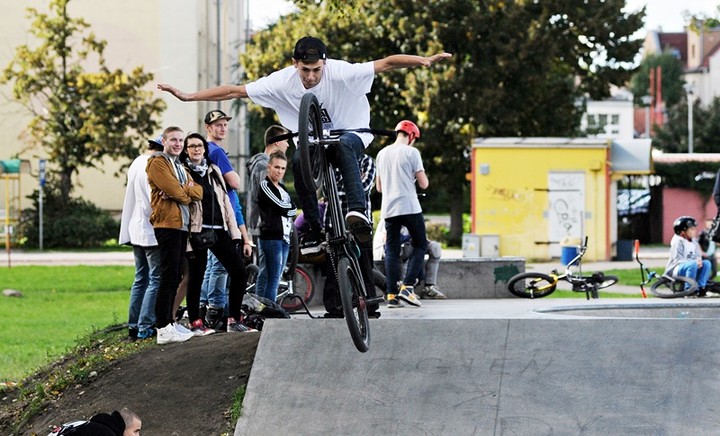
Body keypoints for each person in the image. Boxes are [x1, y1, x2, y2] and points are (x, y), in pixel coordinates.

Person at [158, 36, 451, 258]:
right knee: (297, 160)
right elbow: (235, 90)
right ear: (294, 64)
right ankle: (312, 223)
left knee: (343, 147)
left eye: (316, 70)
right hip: (311, 139)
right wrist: (188, 97)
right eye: (305, 70)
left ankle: (359, 212)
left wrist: (422, 60)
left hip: (351, 130)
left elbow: (386, 63)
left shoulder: (342, 72)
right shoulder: (281, 82)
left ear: (324, 63)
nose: (311, 76)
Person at [183, 133, 254, 333]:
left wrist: (236, 234)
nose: (196, 149)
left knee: (239, 271)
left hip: (219, 229)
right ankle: (195, 322)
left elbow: (226, 203)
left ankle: (234, 319)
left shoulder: (213, 171)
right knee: (196, 275)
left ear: (205, 149)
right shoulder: (184, 172)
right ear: (186, 150)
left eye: (199, 146)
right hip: (197, 231)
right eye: (192, 146)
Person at [146, 126, 203, 344]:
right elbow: (179, 192)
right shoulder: (158, 162)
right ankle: (162, 327)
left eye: (181, 140)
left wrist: (183, 191)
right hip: (167, 224)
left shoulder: (178, 166)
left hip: (181, 225)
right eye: (173, 140)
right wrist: (183, 191)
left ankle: (169, 323)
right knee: (168, 275)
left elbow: (198, 191)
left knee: (176, 274)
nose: (178, 144)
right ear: (164, 141)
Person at [200, 109, 249, 329]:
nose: (223, 129)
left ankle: (206, 309)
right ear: (207, 128)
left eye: (225, 125)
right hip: (223, 214)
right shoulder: (216, 152)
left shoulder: (203, 151)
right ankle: (224, 315)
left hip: (209, 216)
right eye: (218, 125)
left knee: (211, 267)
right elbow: (236, 182)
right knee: (230, 269)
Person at [376, 120, 428, 308]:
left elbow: (379, 187)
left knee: (391, 250)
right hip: (409, 206)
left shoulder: (381, 154)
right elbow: (424, 184)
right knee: (421, 243)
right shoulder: (412, 152)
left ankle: (391, 295)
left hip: (389, 209)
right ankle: (407, 286)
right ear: (412, 136)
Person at [118, 136, 164, 341]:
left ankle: (133, 325)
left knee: (140, 278)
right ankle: (145, 326)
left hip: (135, 228)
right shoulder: (153, 165)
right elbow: (149, 200)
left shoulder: (137, 161)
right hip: (150, 229)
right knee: (156, 278)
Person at [256, 151, 297, 302]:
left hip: (284, 237)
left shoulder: (282, 188)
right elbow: (281, 207)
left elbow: (292, 208)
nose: (279, 171)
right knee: (272, 277)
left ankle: (262, 306)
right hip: (271, 237)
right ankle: (269, 310)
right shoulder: (265, 185)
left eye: (283, 168)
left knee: (274, 275)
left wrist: (289, 209)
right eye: (277, 167)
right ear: (269, 167)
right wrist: (289, 209)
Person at [373, 218, 447, 299]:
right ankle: (404, 287)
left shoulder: (411, 214)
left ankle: (429, 287)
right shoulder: (390, 216)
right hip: (385, 250)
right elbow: (387, 241)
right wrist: (409, 238)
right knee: (408, 248)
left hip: (405, 246)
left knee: (434, 248)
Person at [664, 216, 712, 296]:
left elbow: (697, 255)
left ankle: (701, 287)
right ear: (683, 232)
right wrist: (694, 262)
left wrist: (699, 261)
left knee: (707, 263)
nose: (695, 231)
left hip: (691, 266)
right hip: (676, 269)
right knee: (692, 264)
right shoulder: (677, 242)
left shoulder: (694, 241)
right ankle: (689, 289)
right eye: (692, 229)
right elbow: (677, 260)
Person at [48, 408, 141, 436]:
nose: (138, 435)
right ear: (124, 427)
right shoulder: (105, 434)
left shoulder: (86, 426)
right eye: (136, 431)